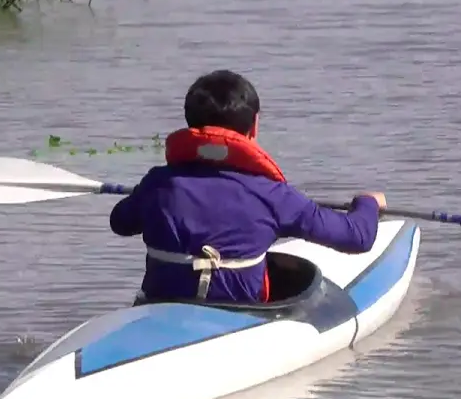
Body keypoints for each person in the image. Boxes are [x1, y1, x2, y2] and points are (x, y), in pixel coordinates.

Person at [109, 69, 386, 304]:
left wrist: (147, 197)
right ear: (254, 126)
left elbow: (120, 222)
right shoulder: (273, 195)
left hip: (161, 304)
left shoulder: (158, 183)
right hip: (241, 314)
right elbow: (358, 237)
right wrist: (368, 203)